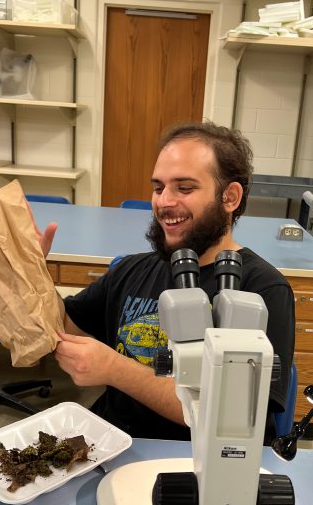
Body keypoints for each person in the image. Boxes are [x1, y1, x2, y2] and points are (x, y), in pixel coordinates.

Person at [36, 121, 295, 442]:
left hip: (199, 463)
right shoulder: (132, 269)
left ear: (229, 196)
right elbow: (64, 326)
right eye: (158, 188)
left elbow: (234, 415)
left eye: (184, 188)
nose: (163, 201)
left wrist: (115, 369)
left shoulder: (262, 289)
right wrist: (32, 271)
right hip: (112, 444)